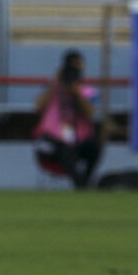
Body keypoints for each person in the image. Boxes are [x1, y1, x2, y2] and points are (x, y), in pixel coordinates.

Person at [33, 49, 100, 189]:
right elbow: (37, 106)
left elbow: (90, 113)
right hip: (53, 139)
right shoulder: (52, 88)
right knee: (65, 148)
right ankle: (81, 185)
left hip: (78, 139)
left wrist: (76, 93)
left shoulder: (88, 91)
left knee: (94, 147)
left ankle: (84, 181)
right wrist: (55, 83)